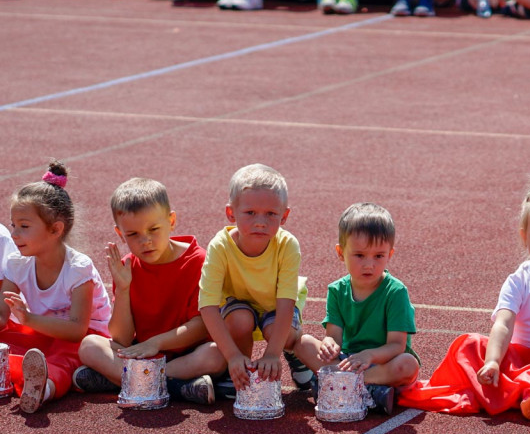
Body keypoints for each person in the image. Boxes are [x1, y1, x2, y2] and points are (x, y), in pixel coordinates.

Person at [400, 175, 530, 420]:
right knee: (470, 344)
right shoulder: (518, 280)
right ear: (524, 237)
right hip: (519, 360)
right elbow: (503, 324)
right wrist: (493, 362)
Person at [74, 178, 220, 405]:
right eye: (133, 234)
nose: (145, 241)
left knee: (217, 354)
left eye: (153, 229)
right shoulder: (126, 266)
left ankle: (124, 380)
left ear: (171, 221)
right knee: (90, 345)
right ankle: (176, 388)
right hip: (142, 354)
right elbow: (121, 337)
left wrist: (157, 343)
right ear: (120, 233)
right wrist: (123, 289)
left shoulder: (199, 261)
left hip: (186, 354)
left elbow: (202, 326)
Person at [0, 161, 111, 414]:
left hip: (86, 337)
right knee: (6, 341)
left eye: (24, 226)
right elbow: (2, 316)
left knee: (64, 355)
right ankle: (28, 372)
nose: (14, 234)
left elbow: (76, 330)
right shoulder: (16, 263)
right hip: (41, 329)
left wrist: (28, 317)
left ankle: (43, 388)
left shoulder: (78, 268)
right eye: (13, 224)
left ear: (55, 229)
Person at [198, 164, 315, 396]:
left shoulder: (287, 245)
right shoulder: (220, 246)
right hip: (239, 307)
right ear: (231, 213)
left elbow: (285, 303)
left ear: (284, 216)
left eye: (271, 214)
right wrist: (232, 356)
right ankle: (241, 368)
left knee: (277, 330)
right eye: (250, 213)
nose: (260, 222)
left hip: (276, 310)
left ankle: (291, 352)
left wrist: (272, 354)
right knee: (240, 319)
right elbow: (208, 305)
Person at [297, 203, 419, 415]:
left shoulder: (396, 291)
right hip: (348, 360)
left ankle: (338, 385)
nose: (369, 265)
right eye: (360, 255)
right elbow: (333, 336)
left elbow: (397, 346)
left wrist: (369, 356)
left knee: (408, 365)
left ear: (390, 254)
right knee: (303, 342)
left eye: (378, 256)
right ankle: (367, 391)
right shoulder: (336, 290)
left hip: (382, 364)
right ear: (340, 252)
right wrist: (329, 345)